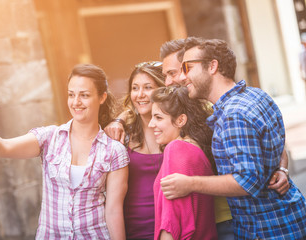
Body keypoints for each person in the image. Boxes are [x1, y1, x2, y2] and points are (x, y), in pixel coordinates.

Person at [0, 64, 129, 239]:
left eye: (84, 95)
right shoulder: (50, 137)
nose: (76, 102)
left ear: (102, 97)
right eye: (71, 94)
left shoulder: (114, 151)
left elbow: (113, 212)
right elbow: (3, 148)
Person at [160, 37, 306, 239]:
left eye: (188, 68)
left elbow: (246, 182)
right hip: (289, 217)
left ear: (212, 66)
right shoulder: (256, 95)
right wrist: (281, 167)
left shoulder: (233, 115)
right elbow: (274, 142)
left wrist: (189, 183)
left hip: (268, 230)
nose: (183, 77)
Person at [149, 85, 217, 240]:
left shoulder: (176, 148)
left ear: (181, 120)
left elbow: (171, 220)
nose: (151, 124)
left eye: (158, 118)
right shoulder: (195, 148)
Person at [121, 61, 165, 239]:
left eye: (148, 87)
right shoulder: (123, 134)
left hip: (173, 225)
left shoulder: (176, 129)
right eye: (135, 88)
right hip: (135, 227)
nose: (140, 95)